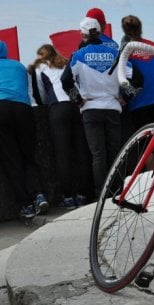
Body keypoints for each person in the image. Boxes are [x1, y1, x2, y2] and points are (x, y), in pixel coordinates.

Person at [61, 17, 141, 199]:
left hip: (90, 108)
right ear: (100, 32)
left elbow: (65, 79)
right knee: (114, 152)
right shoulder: (114, 54)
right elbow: (137, 77)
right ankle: (118, 191)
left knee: (98, 154)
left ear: (82, 34)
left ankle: (101, 195)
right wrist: (126, 98)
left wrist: (77, 99)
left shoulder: (78, 55)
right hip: (113, 108)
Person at [29, 44, 93, 209]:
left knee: (62, 154)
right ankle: (83, 194)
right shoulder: (66, 63)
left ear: (41, 56)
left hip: (57, 109)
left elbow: (41, 94)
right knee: (81, 152)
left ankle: (68, 197)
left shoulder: (40, 68)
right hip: (75, 107)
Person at [0, 40, 49, 218]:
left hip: (1, 110)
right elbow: (32, 92)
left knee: (11, 160)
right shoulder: (19, 66)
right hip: (24, 109)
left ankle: (26, 205)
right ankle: (39, 194)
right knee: (29, 156)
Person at [120, 15, 154, 131]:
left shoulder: (126, 50)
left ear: (124, 31)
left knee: (144, 144)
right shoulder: (153, 46)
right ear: (140, 28)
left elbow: (122, 75)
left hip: (138, 102)